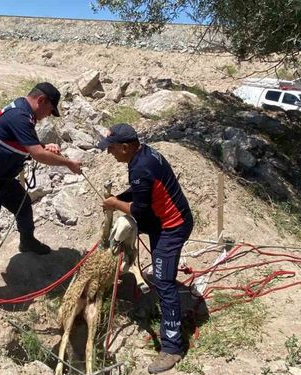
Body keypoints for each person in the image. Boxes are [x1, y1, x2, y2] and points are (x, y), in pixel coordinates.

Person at [0, 82, 82, 310]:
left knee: (24, 205)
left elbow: (26, 144)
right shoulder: (19, 115)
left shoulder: (23, 114)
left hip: (2, 179)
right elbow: (36, 153)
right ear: (41, 101)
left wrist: (45, 146)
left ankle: (27, 241)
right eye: (49, 111)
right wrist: (68, 163)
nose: (47, 117)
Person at [99, 123, 193, 374]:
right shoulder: (143, 155)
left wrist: (116, 203)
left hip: (171, 227)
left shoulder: (141, 167)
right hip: (160, 222)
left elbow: (140, 209)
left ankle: (172, 347)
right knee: (161, 276)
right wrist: (120, 198)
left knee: (163, 281)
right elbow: (142, 194)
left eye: (112, 149)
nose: (110, 153)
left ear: (125, 147)